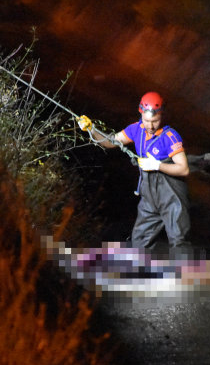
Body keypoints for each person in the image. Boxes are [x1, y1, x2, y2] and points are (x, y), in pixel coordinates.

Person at [79, 91, 191, 251]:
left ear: (162, 115)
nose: (150, 126)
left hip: (171, 197)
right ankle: (144, 267)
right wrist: (92, 130)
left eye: (155, 121)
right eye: (147, 121)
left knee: (179, 241)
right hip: (150, 198)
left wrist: (157, 165)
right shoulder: (136, 129)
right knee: (139, 243)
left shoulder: (170, 137)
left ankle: (185, 267)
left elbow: (183, 169)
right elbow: (111, 142)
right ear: (141, 115)